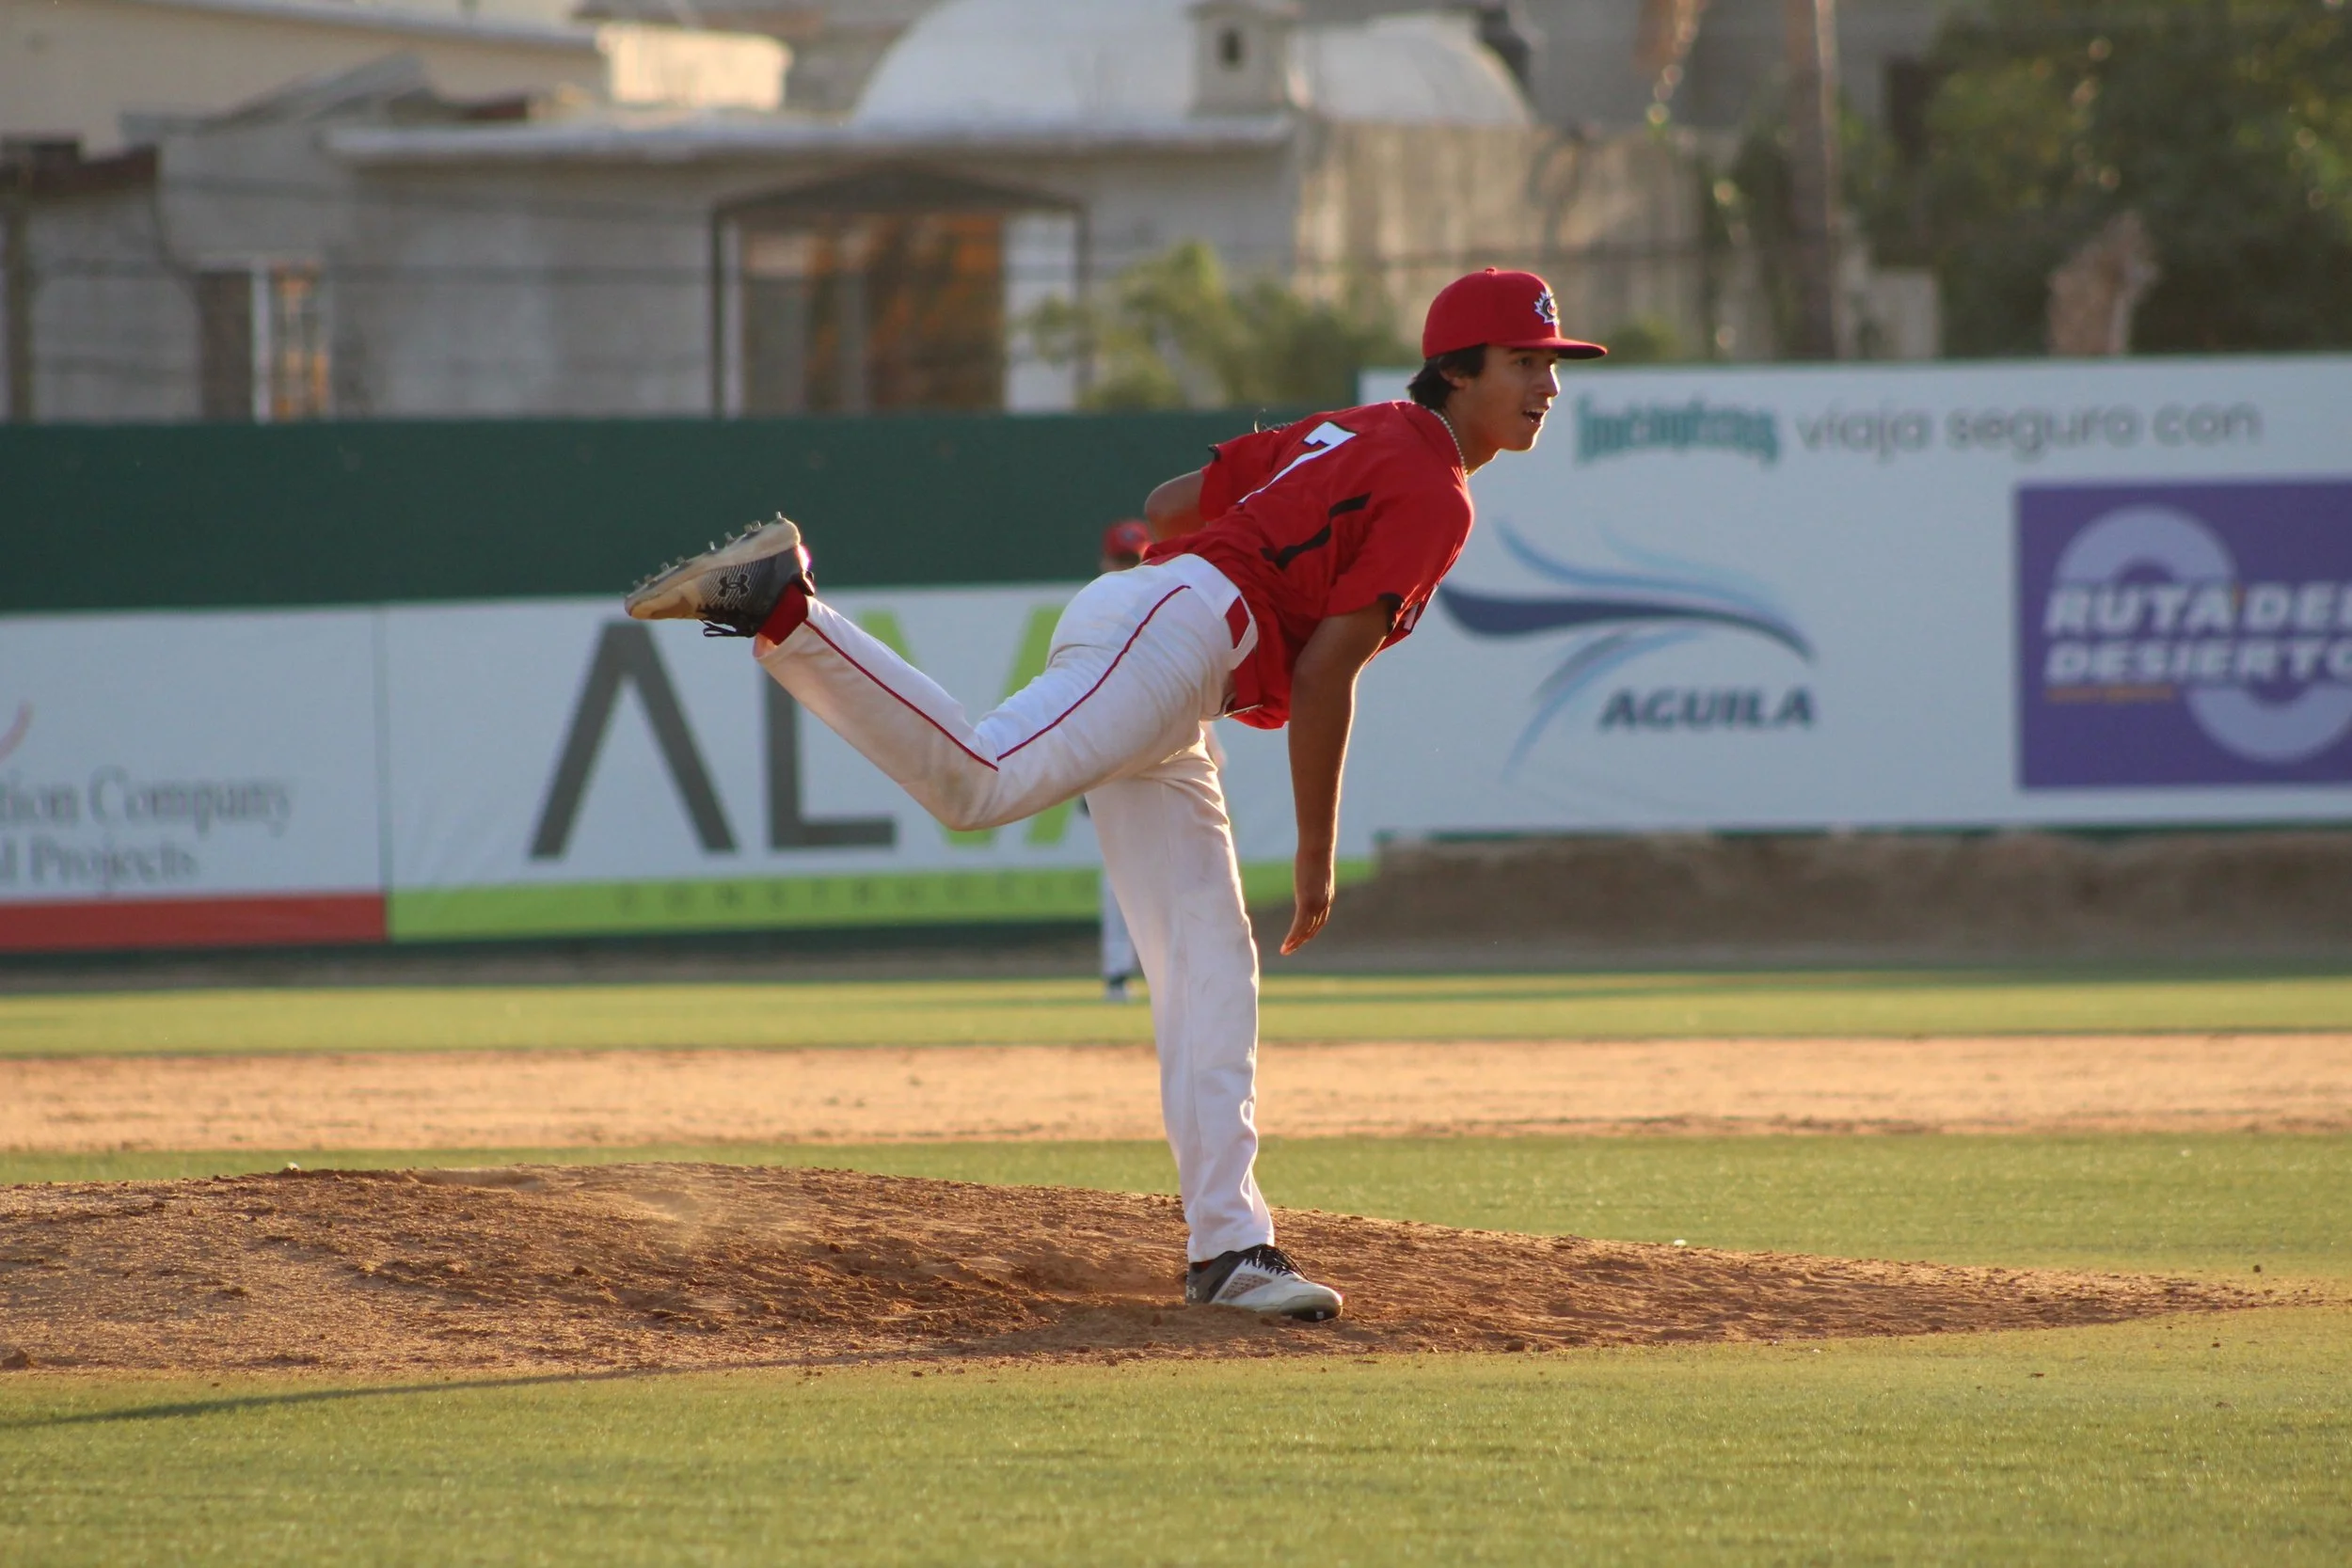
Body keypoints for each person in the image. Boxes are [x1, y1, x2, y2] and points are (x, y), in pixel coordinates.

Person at [623, 268, 1603, 1321]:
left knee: (1205, 960)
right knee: (980, 783)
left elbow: (1169, 505)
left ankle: (1231, 1250)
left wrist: (1262, 545)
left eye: (1551, 363)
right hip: (1177, 636)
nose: (1546, 382)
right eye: (1523, 361)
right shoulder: (1436, 493)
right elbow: (1326, 670)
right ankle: (785, 610)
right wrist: (1316, 851)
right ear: (1456, 370)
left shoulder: (1362, 431)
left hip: (1175, 646)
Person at [1093, 519, 1152, 1003]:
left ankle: (1177, 976)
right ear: (1104, 563)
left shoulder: (1164, 604)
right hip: (1115, 757)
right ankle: (1117, 974)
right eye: (1120, 560)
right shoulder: (1092, 616)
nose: (1126, 569)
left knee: (1187, 873)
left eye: (1134, 560)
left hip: (1164, 749)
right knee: (1120, 875)